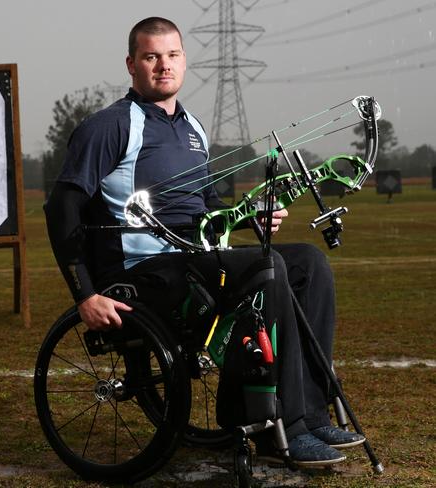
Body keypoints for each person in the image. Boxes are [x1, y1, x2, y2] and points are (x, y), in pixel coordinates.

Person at [44, 16, 364, 467]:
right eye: (151, 57)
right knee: (261, 272)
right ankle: (271, 428)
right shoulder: (111, 126)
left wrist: (252, 220)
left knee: (308, 262)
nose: (163, 66)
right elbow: (61, 209)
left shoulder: (192, 127)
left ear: (184, 61)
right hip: (143, 275)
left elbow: (209, 206)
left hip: (196, 262)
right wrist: (85, 294)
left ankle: (309, 413)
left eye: (172, 55)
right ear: (131, 64)